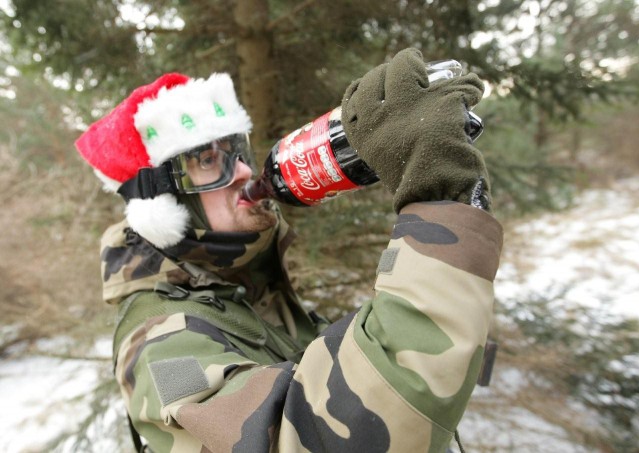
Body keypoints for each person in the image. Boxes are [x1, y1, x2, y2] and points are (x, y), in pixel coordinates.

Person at [75, 48, 503, 452]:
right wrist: (442, 206)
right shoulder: (158, 343)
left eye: (237, 151)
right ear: (165, 203)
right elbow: (319, 436)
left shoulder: (239, 286)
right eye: (208, 161)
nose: (242, 171)